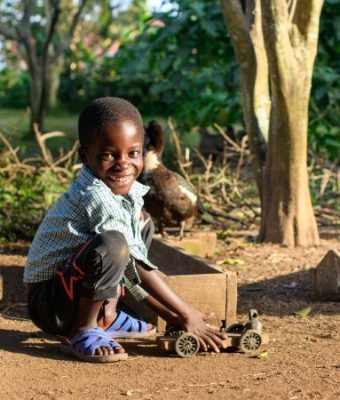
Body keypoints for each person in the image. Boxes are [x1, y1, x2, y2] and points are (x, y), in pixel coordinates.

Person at [24, 97, 226, 363]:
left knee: (140, 224)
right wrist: (187, 313)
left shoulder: (123, 194)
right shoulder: (96, 196)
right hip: (50, 305)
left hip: (68, 291)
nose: (123, 164)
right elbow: (135, 264)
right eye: (108, 155)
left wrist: (172, 317)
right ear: (85, 157)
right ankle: (83, 330)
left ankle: (107, 317)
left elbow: (131, 271)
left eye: (133, 153)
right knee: (115, 244)